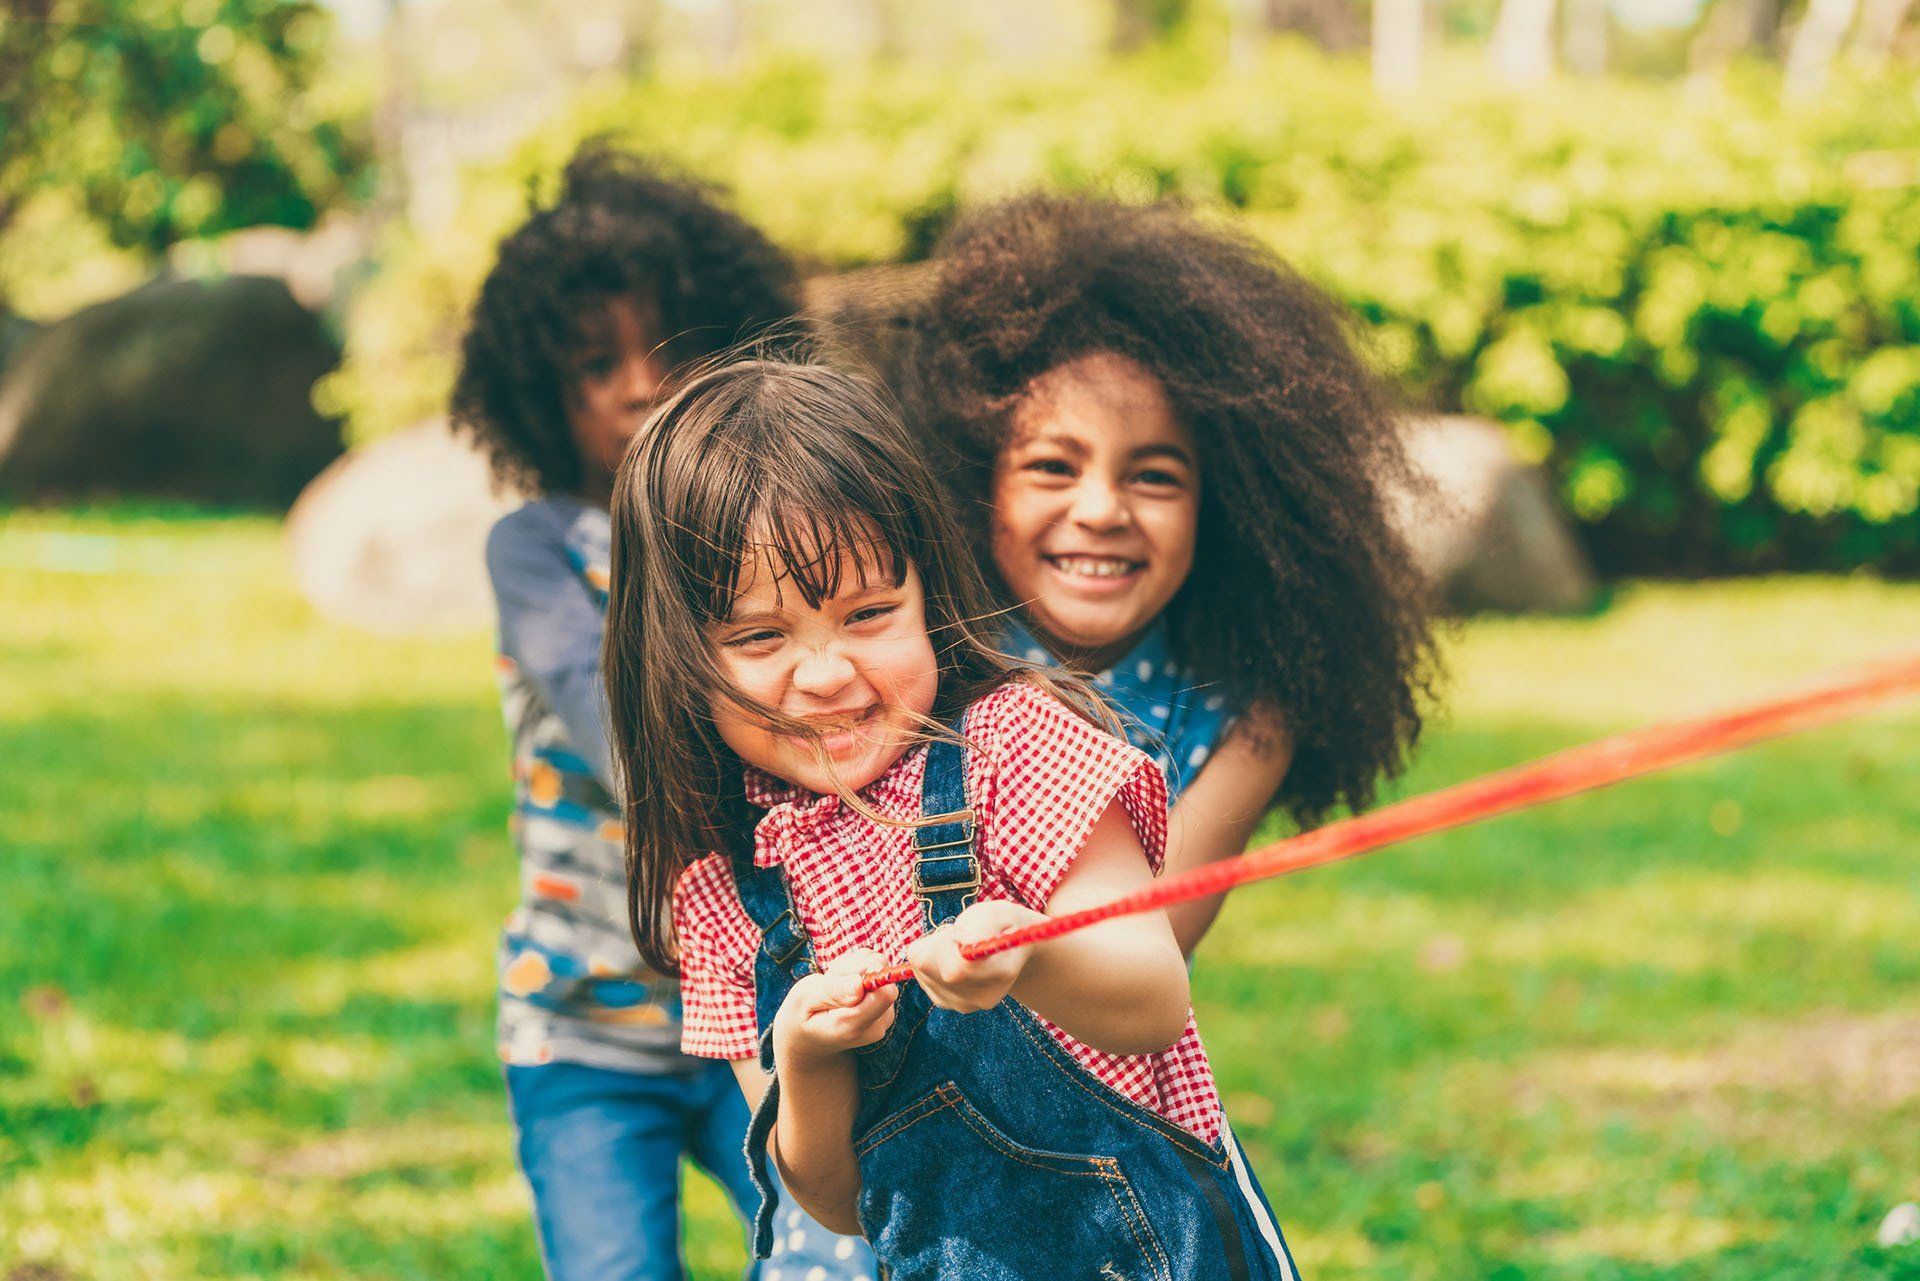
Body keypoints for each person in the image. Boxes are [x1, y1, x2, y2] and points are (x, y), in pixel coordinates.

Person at [602, 356, 1303, 1281]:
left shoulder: (1014, 747)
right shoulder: (723, 887)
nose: (824, 673)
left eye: (870, 613)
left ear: (931, 593)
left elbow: (1152, 998)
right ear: (676, 654)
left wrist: (1035, 954)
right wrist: (807, 1061)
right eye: (760, 636)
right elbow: (840, 1203)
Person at [450, 148, 873, 1281]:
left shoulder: (785, 548)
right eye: (596, 364)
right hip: (588, 1028)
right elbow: (626, 744)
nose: (642, 386)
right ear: (542, 394)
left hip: (783, 1008)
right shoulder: (542, 549)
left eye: (671, 349)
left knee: (840, 1257)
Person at [900, 194, 1439, 953]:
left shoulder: (1249, 720)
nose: (1101, 510)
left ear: (1225, 511)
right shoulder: (919, 648)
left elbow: (1148, 959)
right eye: (1053, 466)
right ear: (976, 482)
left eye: (1153, 477)